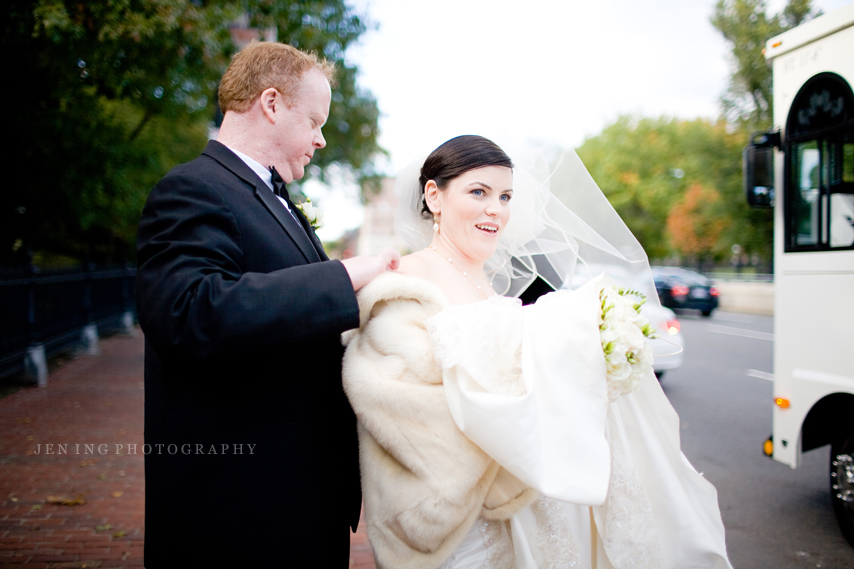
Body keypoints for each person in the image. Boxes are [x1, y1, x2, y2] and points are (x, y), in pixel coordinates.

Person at [341, 135, 733, 568]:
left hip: (524, 516)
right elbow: (399, 406)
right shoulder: (406, 279)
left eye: (505, 196)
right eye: (479, 192)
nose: (497, 210)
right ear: (434, 195)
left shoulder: (485, 280)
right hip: (462, 520)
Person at [136, 41, 399, 567]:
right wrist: (343, 276)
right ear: (272, 103)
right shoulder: (193, 187)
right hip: (237, 512)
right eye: (315, 121)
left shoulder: (273, 197)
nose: (321, 139)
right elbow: (189, 313)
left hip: (295, 496)